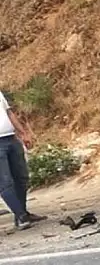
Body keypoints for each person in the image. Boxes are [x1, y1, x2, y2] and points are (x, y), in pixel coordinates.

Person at [0, 91, 46, 229]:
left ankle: (22, 213)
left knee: (21, 177)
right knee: (5, 182)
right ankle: (21, 216)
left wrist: (23, 133)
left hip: (11, 138)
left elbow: (9, 113)